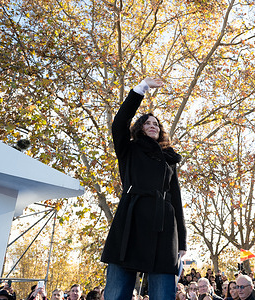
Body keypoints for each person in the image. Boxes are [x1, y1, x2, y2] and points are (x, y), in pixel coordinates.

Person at [101, 77, 187, 300]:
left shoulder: (169, 159)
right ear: (139, 128)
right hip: (132, 218)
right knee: (117, 289)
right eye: (148, 123)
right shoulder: (128, 149)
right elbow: (119, 123)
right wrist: (141, 89)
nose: (153, 126)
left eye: (156, 124)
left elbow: (176, 199)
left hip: (164, 227)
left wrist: (182, 241)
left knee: (162, 290)